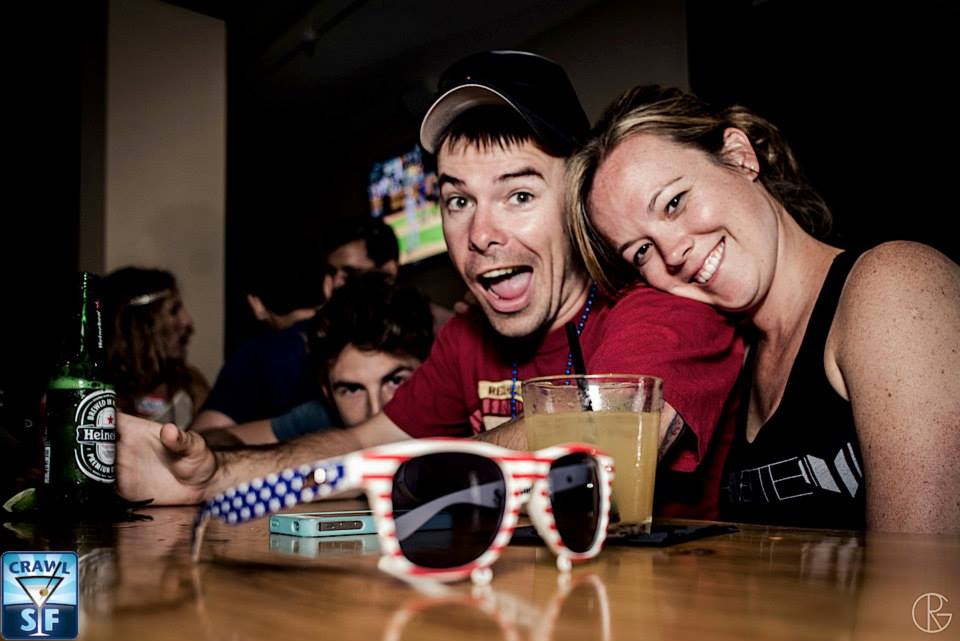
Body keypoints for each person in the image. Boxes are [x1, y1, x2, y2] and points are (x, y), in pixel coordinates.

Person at [117, 51, 744, 515]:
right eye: (458, 200)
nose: (481, 234)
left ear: (579, 200)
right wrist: (214, 475)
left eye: (519, 194)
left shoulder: (662, 306)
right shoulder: (468, 339)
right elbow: (360, 443)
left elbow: (599, 441)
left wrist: (388, 474)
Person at [568, 85, 960, 533]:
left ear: (739, 157)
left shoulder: (895, 282)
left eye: (674, 202)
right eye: (641, 251)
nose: (672, 252)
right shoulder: (740, 357)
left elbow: (921, 571)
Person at [215, 271, 434, 444]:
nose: (375, 411)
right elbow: (219, 440)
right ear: (327, 393)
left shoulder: (451, 407)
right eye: (352, 390)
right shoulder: (324, 415)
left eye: (396, 381)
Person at [189, 260, 333, 431]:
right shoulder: (348, 339)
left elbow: (207, 433)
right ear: (327, 286)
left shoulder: (256, 356)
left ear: (256, 304)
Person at [103, 267, 210, 429]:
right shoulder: (98, 393)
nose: (188, 322)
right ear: (139, 325)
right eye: (174, 311)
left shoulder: (191, 385)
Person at [324, 217, 454, 331]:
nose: (335, 284)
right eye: (332, 272)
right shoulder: (332, 329)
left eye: (351, 273)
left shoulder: (443, 331)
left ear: (388, 271)